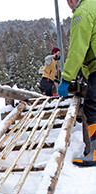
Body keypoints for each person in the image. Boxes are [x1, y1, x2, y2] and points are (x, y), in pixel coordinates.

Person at [58, 0, 96, 167]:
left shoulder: (82, 13)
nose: (69, 2)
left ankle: (95, 151)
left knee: (92, 105)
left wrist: (66, 78)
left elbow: (77, 49)